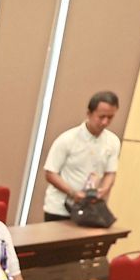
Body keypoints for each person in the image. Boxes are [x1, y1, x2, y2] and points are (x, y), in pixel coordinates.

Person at [42, 90, 121, 221]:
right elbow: (50, 173)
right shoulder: (67, 139)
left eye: (110, 117)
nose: (105, 122)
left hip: (88, 209)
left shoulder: (113, 141)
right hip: (60, 208)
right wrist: (73, 193)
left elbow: (110, 172)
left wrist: (103, 191)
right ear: (89, 114)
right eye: (101, 117)